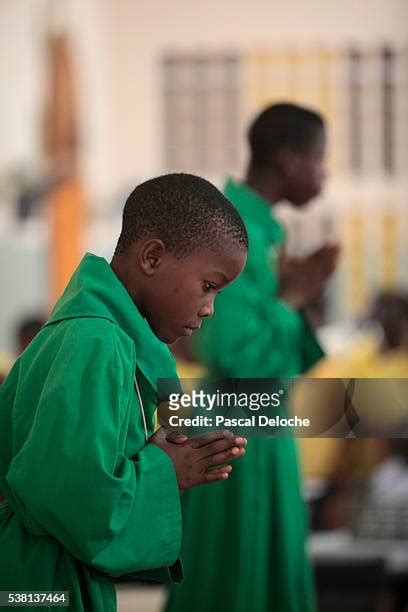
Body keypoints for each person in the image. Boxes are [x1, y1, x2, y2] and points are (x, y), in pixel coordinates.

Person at [0, 173, 248, 611]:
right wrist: (162, 472)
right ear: (152, 257)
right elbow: (67, 493)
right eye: (208, 286)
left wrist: (147, 454)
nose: (210, 309)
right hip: (37, 586)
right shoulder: (96, 341)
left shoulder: (108, 339)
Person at [165, 104, 339, 612]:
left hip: (259, 419)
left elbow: (275, 349)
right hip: (234, 423)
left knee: (267, 571)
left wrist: (290, 298)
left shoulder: (264, 229)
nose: (324, 174)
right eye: (319, 159)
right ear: (287, 160)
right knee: (235, 581)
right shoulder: (232, 226)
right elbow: (229, 349)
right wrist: (290, 301)